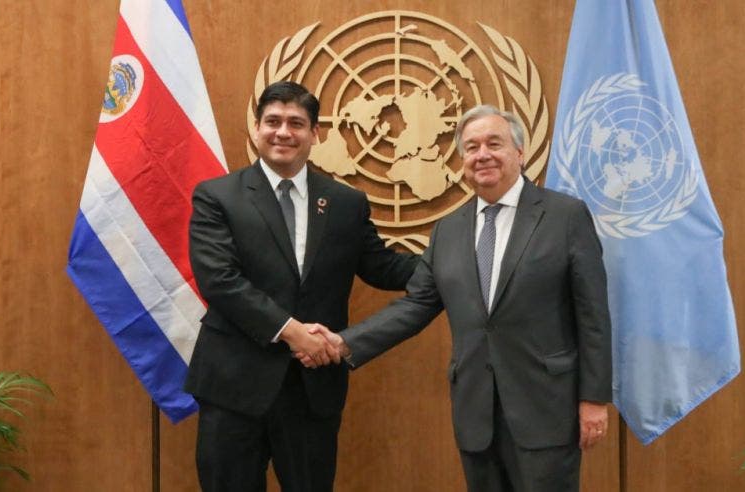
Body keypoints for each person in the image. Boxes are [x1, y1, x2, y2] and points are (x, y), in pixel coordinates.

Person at [302, 105, 612, 491]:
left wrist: (594, 398)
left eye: (493, 144)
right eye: (471, 147)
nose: (482, 155)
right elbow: (416, 305)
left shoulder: (565, 216)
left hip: (547, 408)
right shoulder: (449, 229)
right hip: (475, 410)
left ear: (519, 152)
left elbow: (593, 314)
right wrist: (343, 342)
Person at [184, 81, 418, 492]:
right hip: (235, 385)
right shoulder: (218, 196)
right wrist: (294, 333)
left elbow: (383, 268)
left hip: (312, 390)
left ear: (315, 134)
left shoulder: (346, 203)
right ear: (256, 129)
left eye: (296, 123)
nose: (283, 132)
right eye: (272, 121)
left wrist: (458, 259)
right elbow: (219, 280)